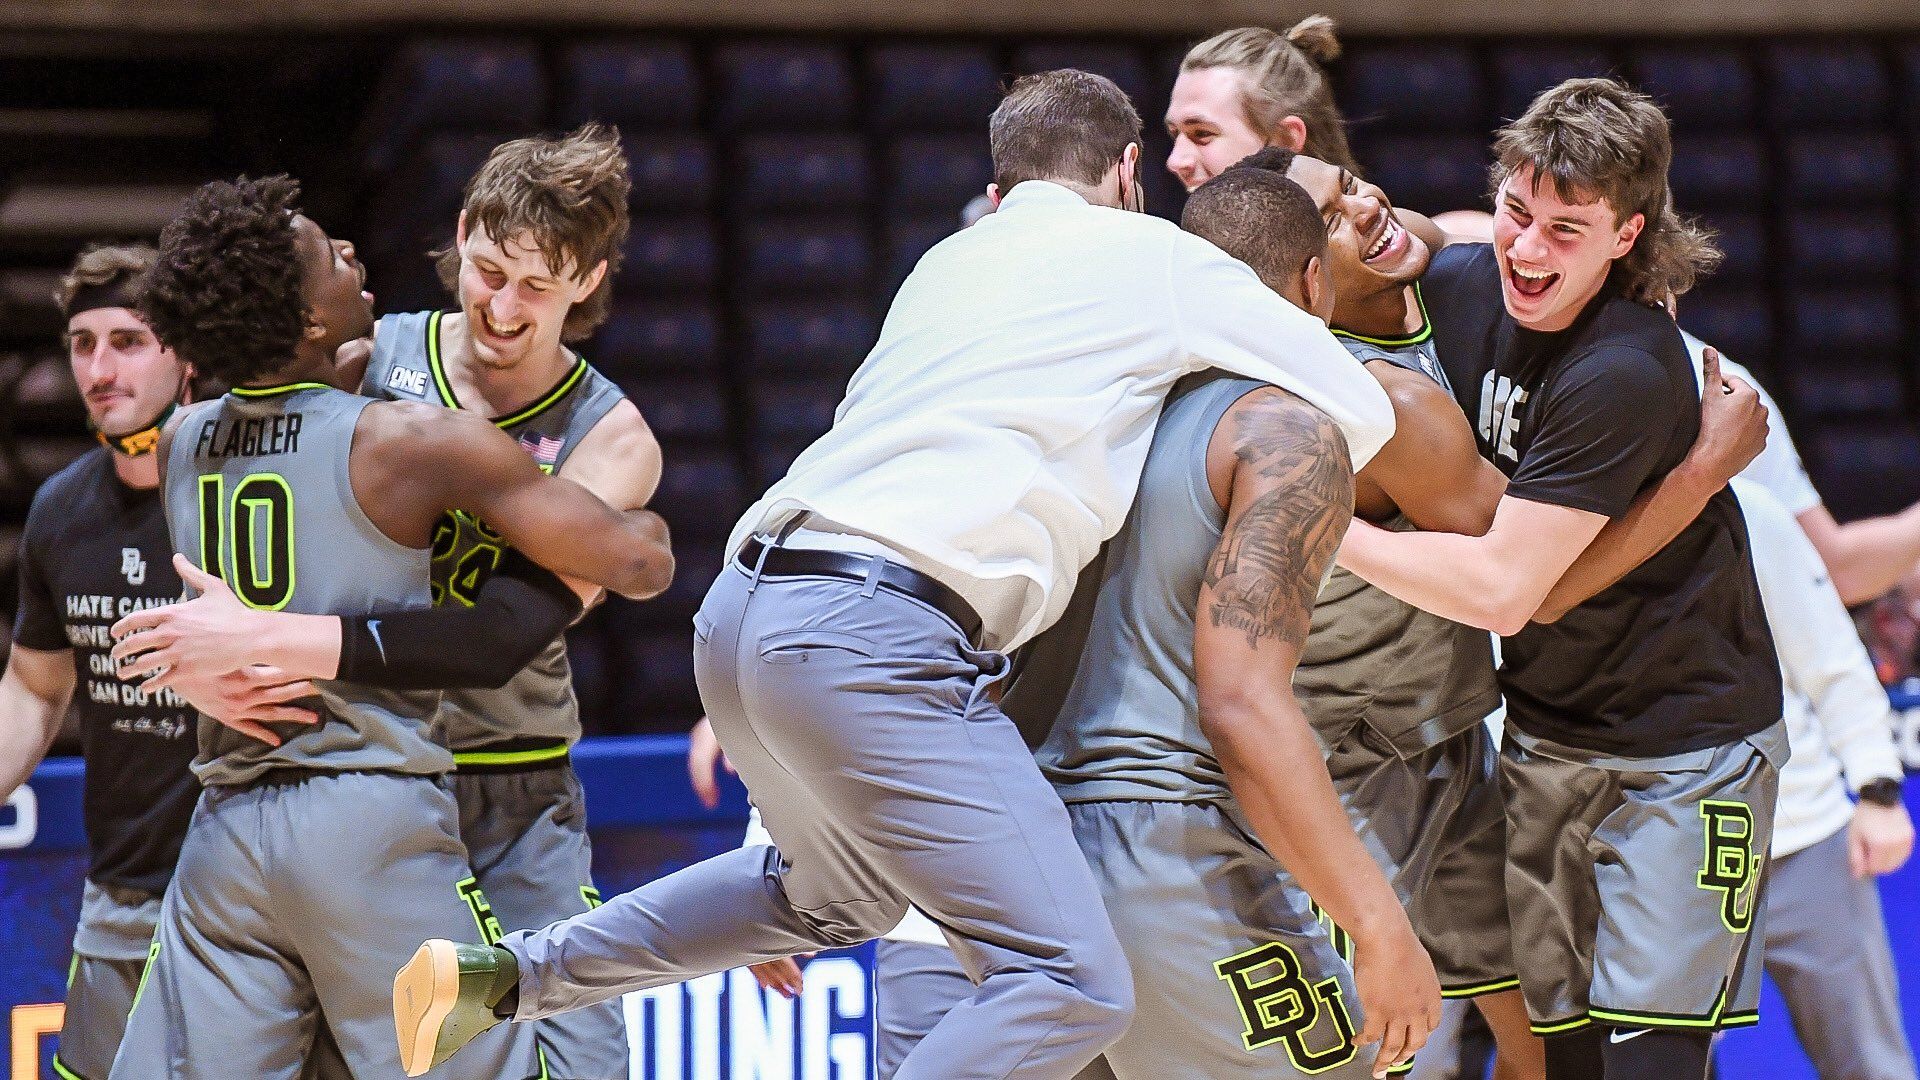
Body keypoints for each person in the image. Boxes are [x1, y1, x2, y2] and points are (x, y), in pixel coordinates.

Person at [395, 68, 1398, 1080]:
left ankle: (503, 976)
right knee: (1070, 980)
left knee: (830, 898)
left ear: (1000, 187)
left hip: (746, 608)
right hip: (880, 634)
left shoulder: (944, 265)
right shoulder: (1155, 256)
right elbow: (1351, 407)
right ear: (1131, 171)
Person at [103, 175, 672, 1080]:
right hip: (372, 800)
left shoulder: (181, 440)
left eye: (535, 285)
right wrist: (641, 533)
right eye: (330, 254)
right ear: (309, 320)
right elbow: (637, 564)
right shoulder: (406, 434)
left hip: (234, 808)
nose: (351, 253)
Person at [1334, 80, 1783, 1080]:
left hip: (1684, 744)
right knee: (1560, 1059)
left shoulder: (1624, 368)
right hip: (1546, 728)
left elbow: (1512, 594)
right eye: (1516, 211)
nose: (1528, 250)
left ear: (1626, 236)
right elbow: (1392, 240)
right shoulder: (1460, 284)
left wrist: (1329, 533)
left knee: (1650, 1060)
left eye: (1566, 230)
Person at [0, 245, 199, 1080]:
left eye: (127, 341)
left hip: (258, 894)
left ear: (185, 354)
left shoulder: (249, 487)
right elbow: (34, 686)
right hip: (123, 888)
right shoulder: (61, 509)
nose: (99, 369)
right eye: (83, 344)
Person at [1729, 477, 1915, 1080]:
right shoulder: (1564, 504)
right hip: (1653, 858)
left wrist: (1878, 790)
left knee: (1873, 1066)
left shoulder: (1752, 510)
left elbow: (1832, 659)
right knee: (1657, 1068)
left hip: (1804, 833)